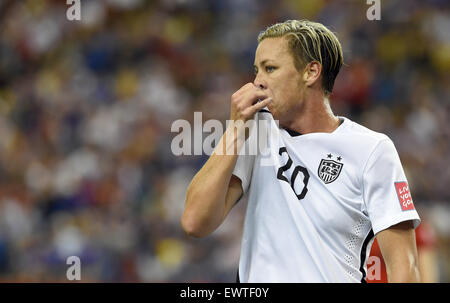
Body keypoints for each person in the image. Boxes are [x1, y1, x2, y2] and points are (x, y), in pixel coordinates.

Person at [181, 20, 421, 282]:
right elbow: (195, 222)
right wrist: (235, 129)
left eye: (270, 69)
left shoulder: (372, 150)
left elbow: (404, 269)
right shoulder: (256, 133)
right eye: (256, 70)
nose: (257, 82)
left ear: (311, 72)